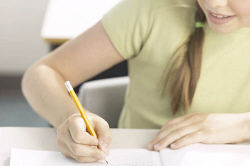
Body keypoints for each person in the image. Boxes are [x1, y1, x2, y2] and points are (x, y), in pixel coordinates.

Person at [22, 0, 250, 163]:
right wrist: (67, 116)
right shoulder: (152, 8)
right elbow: (42, 73)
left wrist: (243, 126)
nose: (214, 3)